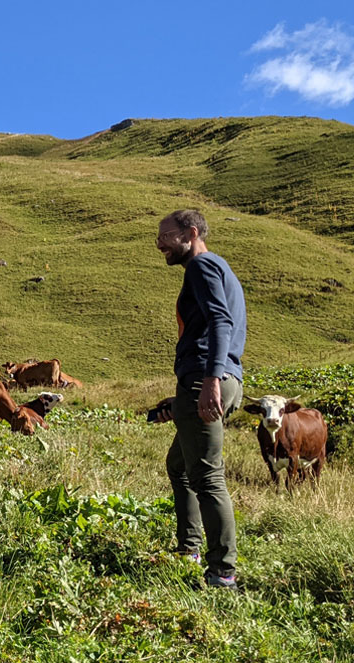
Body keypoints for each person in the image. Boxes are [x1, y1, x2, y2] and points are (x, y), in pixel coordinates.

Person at [154, 209, 247, 590]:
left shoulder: (202, 266)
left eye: (166, 235)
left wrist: (209, 379)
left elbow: (219, 322)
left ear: (191, 233)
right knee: (179, 465)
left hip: (208, 377)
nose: (159, 243)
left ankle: (222, 572)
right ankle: (189, 549)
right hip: (220, 377)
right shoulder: (221, 268)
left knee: (207, 475)